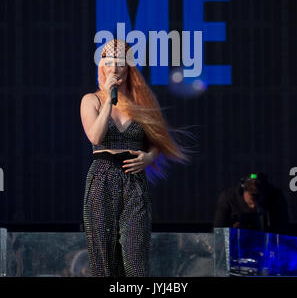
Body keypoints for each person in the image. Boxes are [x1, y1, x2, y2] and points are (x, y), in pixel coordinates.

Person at [80, 38, 195, 277]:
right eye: (108, 62)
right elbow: (96, 137)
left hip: (133, 180)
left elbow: (156, 143)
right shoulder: (92, 100)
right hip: (102, 178)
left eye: (119, 62)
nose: (114, 67)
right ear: (101, 66)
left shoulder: (141, 103)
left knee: (135, 259)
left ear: (129, 67)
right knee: (104, 260)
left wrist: (148, 158)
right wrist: (110, 101)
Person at [213, 172, 289, 234]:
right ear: (243, 191)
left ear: (264, 193)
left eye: (257, 200)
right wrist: (233, 231)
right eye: (250, 202)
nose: (253, 206)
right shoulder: (228, 197)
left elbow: (283, 228)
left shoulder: (275, 197)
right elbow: (219, 230)